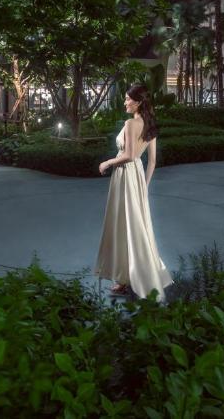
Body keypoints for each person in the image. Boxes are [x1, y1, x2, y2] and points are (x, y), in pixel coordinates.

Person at [93, 84, 174, 304]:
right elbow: (153, 161)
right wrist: (144, 187)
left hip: (125, 175)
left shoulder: (130, 123)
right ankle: (126, 277)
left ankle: (130, 277)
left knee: (124, 225)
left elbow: (128, 155)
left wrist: (107, 162)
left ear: (138, 102)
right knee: (134, 226)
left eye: (128, 99)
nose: (125, 102)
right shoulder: (149, 125)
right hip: (137, 176)